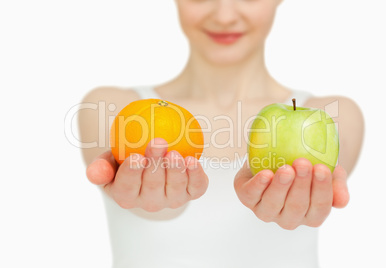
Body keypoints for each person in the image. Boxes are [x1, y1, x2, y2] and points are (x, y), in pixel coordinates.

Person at [79, 0, 364, 267]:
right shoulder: (113, 108)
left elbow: (323, 185)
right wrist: (161, 202)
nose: (224, 17)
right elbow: (150, 207)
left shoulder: (335, 113)